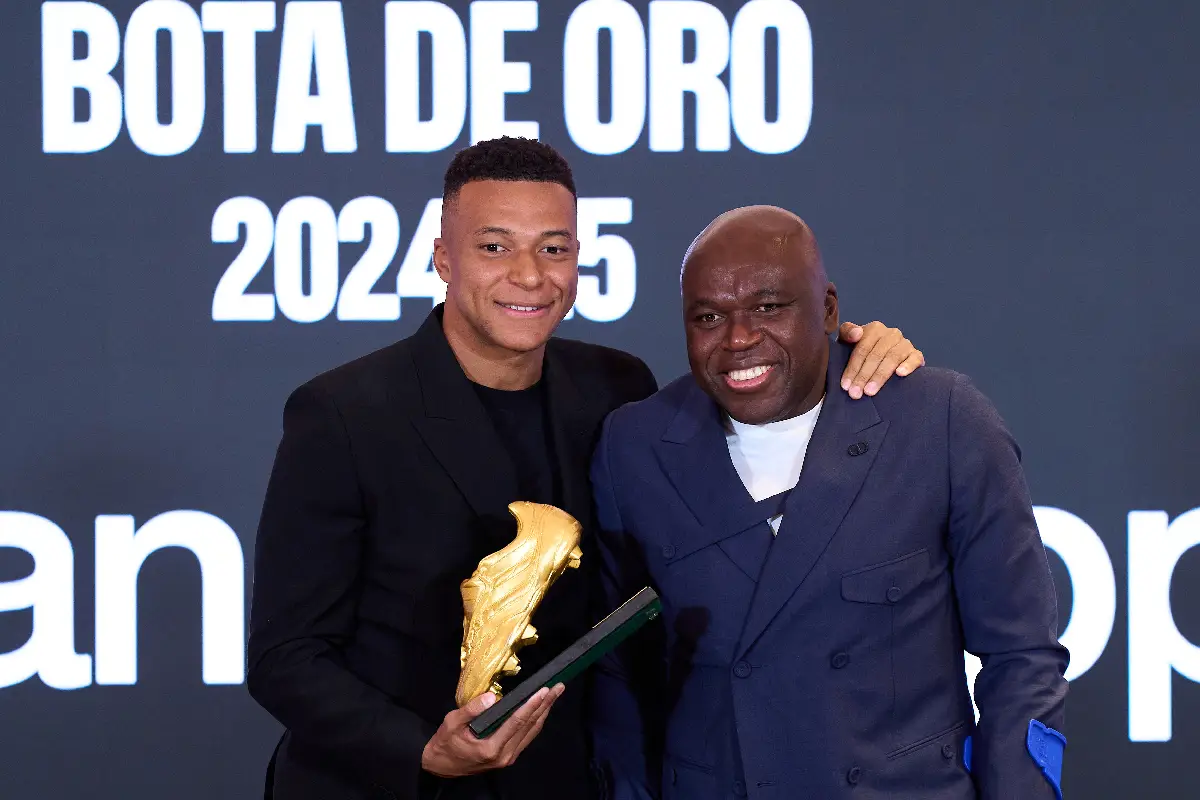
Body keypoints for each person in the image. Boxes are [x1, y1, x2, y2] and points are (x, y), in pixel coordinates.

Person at [245, 138, 925, 800]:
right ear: (443, 259)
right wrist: (425, 749)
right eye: (494, 247)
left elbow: (765, 403)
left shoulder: (615, 387)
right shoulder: (343, 415)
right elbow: (286, 658)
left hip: (564, 779)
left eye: (554, 248)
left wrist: (855, 353)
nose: (529, 275)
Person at [588, 206, 1069, 799]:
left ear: (830, 310)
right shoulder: (634, 447)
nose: (739, 339)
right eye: (708, 316)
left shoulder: (941, 422)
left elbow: (1021, 658)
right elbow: (617, 676)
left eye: (769, 308)